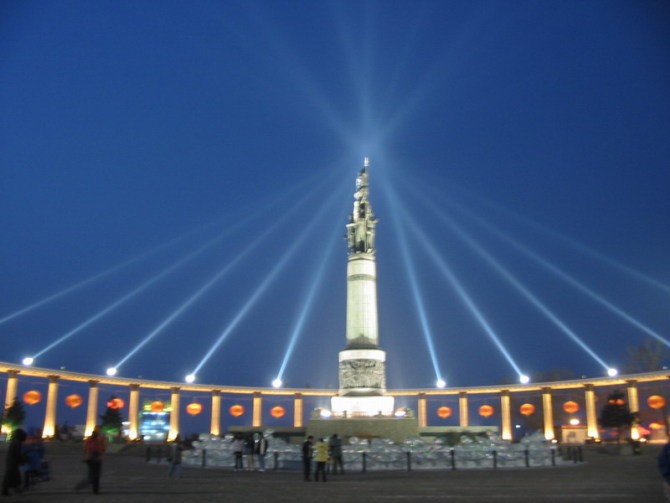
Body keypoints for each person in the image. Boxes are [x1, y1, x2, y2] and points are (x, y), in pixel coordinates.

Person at [76, 427, 106, 494]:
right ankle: (93, 490)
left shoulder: (90, 440)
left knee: (94, 476)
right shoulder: (98, 440)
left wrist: (85, 457)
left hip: (93, 459)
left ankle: (95, 490)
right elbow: (103, 449)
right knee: (95, 476)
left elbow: (85, 449)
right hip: (94, 459)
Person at [2, 428, 27, 496]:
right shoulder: (17, 443)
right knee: (10, 476)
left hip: (12, 461)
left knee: (14, 476)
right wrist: (22, 460)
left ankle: (14, 489)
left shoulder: (15, 442)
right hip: (12, 462)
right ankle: (5, 490)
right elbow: (17, 453)